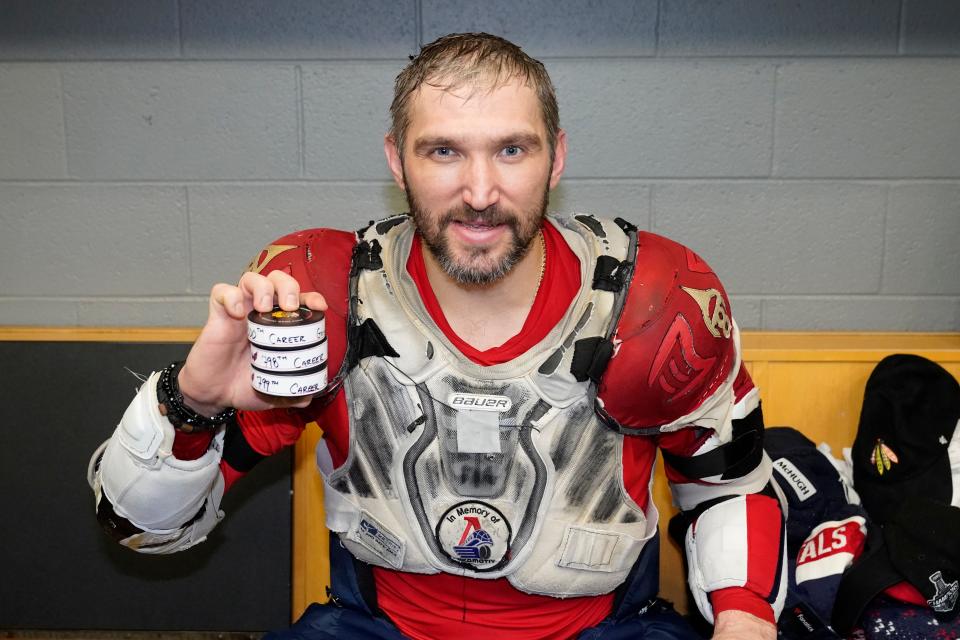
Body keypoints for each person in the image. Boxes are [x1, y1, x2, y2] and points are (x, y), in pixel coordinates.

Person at [88, 33, 785, 640]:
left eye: (512, 149)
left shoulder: (652, 303)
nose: (480, 192)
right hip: (379, 628)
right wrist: (194, 402)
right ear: (397, 162)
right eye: (444, 151)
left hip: (599, 630)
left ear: (557, 157)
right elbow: (141, 529)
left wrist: (745, 615)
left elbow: (729, 490)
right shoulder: (321, 299)